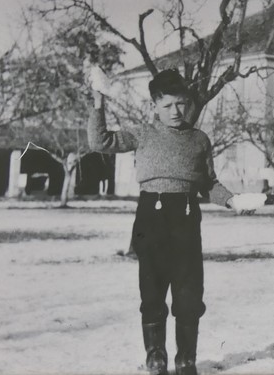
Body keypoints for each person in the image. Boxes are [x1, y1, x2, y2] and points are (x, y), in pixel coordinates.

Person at [87, 68, 238, 375]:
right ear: (154, 104)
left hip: (185, 216)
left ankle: (186, 359)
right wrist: (98, 103)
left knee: (188, 291)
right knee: (152, 289)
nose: (175, 111)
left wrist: (233, 200)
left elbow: (209, 183)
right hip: (150, 215)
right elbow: (100, 142)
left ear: (190, 104)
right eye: (167, 105)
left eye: (181, 104)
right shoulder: (142, 134)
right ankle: (156, 356)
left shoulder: (199, 140)